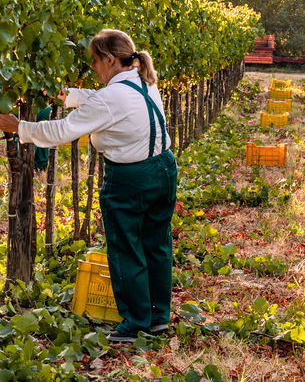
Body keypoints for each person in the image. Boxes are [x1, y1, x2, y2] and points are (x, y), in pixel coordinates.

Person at [0, 29, 177, 343]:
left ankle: (135, 324)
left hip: (131, 178)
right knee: (156, 245)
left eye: (95, 61)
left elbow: (63, 130)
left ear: (109, 59)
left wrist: (20, 128)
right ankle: (156, 317)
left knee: (126, 248)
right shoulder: (143, 81)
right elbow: (98, 100)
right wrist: (58, 94)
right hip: (163, 168)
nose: (94, 68)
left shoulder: (112, 96)